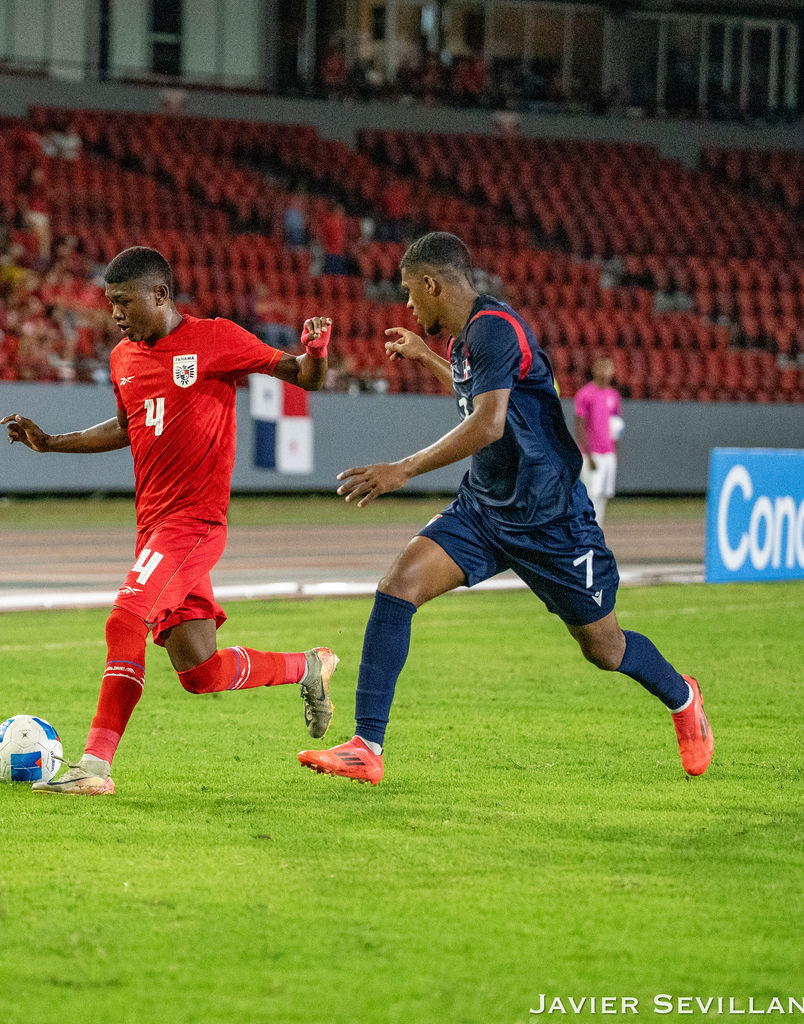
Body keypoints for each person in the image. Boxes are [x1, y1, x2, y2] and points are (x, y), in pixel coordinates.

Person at [298, 232, 712, 785]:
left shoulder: (496, 329)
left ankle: (683, 697)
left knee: (605, 649)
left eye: (408, 293)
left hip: (550, 519)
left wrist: (404, 468)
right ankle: (366, 746)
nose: (408, 306)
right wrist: (426, 359)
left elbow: (489, 423)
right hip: (486, 510)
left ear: (431, 284)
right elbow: (483, 404)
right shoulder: (467, 339)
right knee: (398, 586)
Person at [1, 246, 338, 795]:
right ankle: (308, 666)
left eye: (123, 301)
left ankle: (94, 768)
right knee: (199, 672)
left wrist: (317, 352)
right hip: (153, 528)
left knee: (123, 621)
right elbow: (126, 426)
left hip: (194, 523)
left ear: (159, 295)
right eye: (110, 303)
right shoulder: (123, 358)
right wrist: (50, 444)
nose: (114, 313)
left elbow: (307, 377)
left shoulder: (217, 339)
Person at [574, 355, 623, 526]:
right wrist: (588, 453)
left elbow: (615, 424)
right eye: (602, 367)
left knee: (603, 495)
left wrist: (615, 451)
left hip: (608, 453)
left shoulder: (613, 395)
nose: (605, 372)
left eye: (608, 368)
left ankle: (598, 530)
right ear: (595, 370)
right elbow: (579, 424)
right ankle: (587, 531)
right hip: (592, 453)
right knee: (591, 495)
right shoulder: (585, 394)